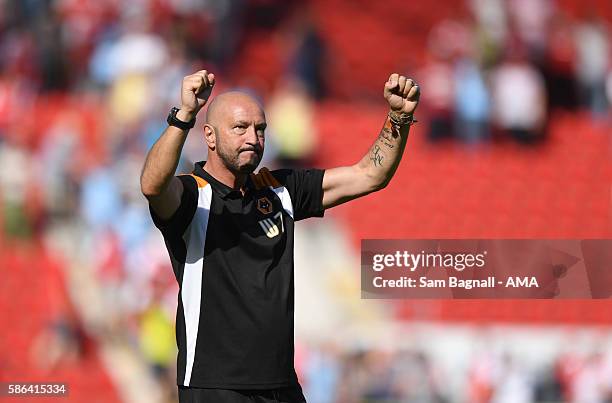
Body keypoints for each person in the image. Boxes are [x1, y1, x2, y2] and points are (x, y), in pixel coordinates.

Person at [140, 69, 420, 403]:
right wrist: (184, 115)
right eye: (240, 128)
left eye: (260, 130)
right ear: (210, 137)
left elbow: (369, 175)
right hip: (216, 386)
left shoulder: (280, 189)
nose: (253, 139)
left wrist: (399, 118)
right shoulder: (192, 196)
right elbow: (152, 185)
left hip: (281, 385)